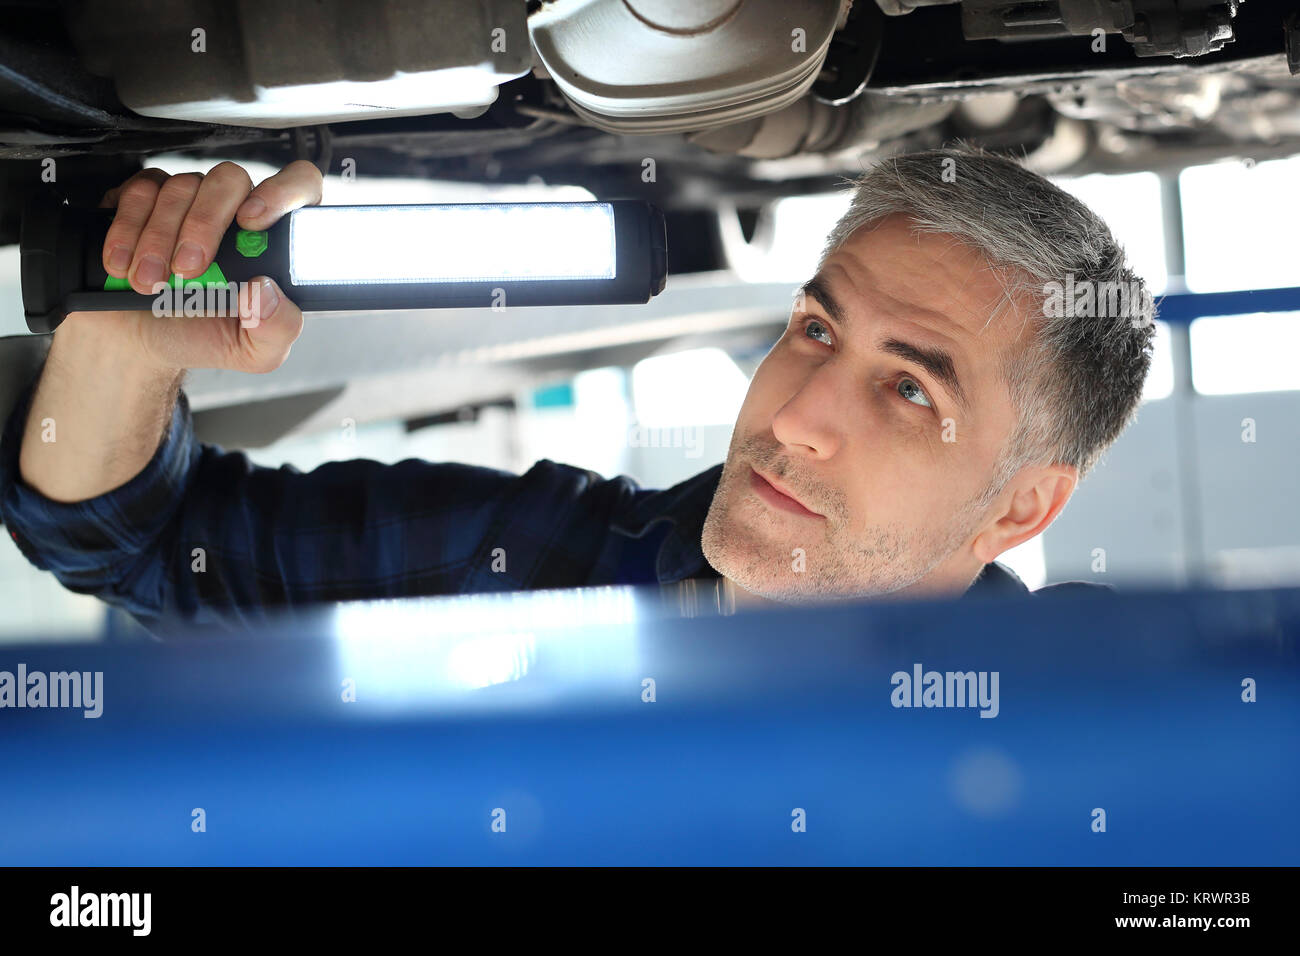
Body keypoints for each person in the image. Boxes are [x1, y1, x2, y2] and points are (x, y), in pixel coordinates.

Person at [0, 147, 1155, 632]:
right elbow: (135, 548)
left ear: (1021, 505)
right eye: (815, 328)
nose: (794, 417)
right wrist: (131, 338)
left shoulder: (1112, 735)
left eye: (909, 390)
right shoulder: (538, 565)